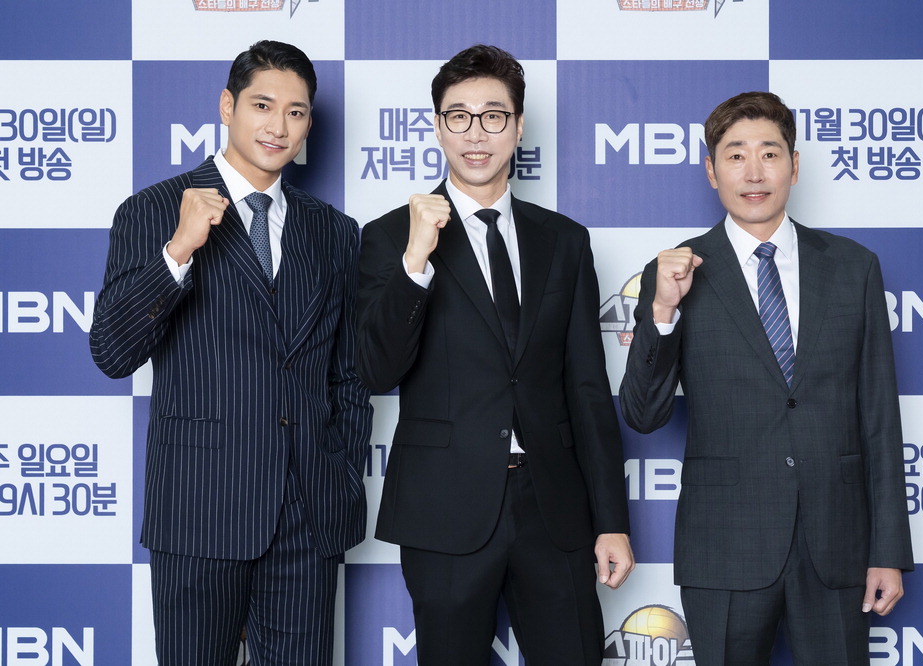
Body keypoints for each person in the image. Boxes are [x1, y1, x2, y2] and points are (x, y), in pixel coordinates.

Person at [90, 40, 372, 665]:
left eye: (296, 112)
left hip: (308, 516)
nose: (278, 127)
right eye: (262, 106)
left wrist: (340, 474)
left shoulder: (333, 231)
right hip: (200, 511)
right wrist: (178, 252)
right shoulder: (153, 210)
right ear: (227, 106)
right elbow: (111, 351)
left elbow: (347, 377)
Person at [356, 44, 634, 665]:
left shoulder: (564, 240)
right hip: (444, 508)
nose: (475, 134)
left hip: (554, 510)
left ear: (518, 126)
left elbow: (587, 387)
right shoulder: (389, 236)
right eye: (458, 116)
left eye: (493, 116)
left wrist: (611, 520)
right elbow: (376, 368)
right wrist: (416, 260)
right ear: (437, 127)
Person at [618, 91, 914, 664]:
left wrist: (888, 551)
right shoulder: (675, 270)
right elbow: (643, 414)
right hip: (724, 544)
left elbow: (880, 418)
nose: (754, 173)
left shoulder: (853, 267)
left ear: (794, 166)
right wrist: (663, 312)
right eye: (735, 156)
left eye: (769, 154)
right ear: (711, 171)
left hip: (837, 545)